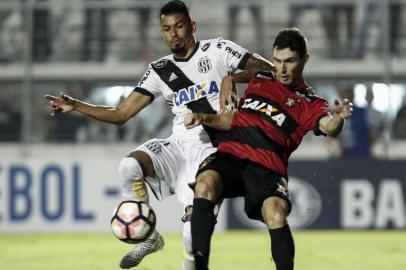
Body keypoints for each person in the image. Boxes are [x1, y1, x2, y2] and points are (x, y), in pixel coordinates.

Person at [44, 1, 275, 269]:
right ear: (161, 33)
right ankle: (149, 235)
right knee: (129, 166)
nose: (173, 33)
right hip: (177, 147)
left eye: (179, 26)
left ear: (192, 26)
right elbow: (121, 114)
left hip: (213, 154)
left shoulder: (218, 50)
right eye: (166, 29)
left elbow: (269, 69)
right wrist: (77, 106)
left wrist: (233, 78)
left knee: (192, 243)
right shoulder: (160, 70)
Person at [184, 28, 353, 270]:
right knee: (204, 184)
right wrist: (210, 106)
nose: (281, 69)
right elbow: (233, 115)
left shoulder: (310, 103)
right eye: (277, 60)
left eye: (289, 61)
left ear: (305, 59)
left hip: (267, 168)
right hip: (231, 154)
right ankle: (200, 266)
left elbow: (329, 127)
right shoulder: (261, 77)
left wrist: (339, 117)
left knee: (276, 213)